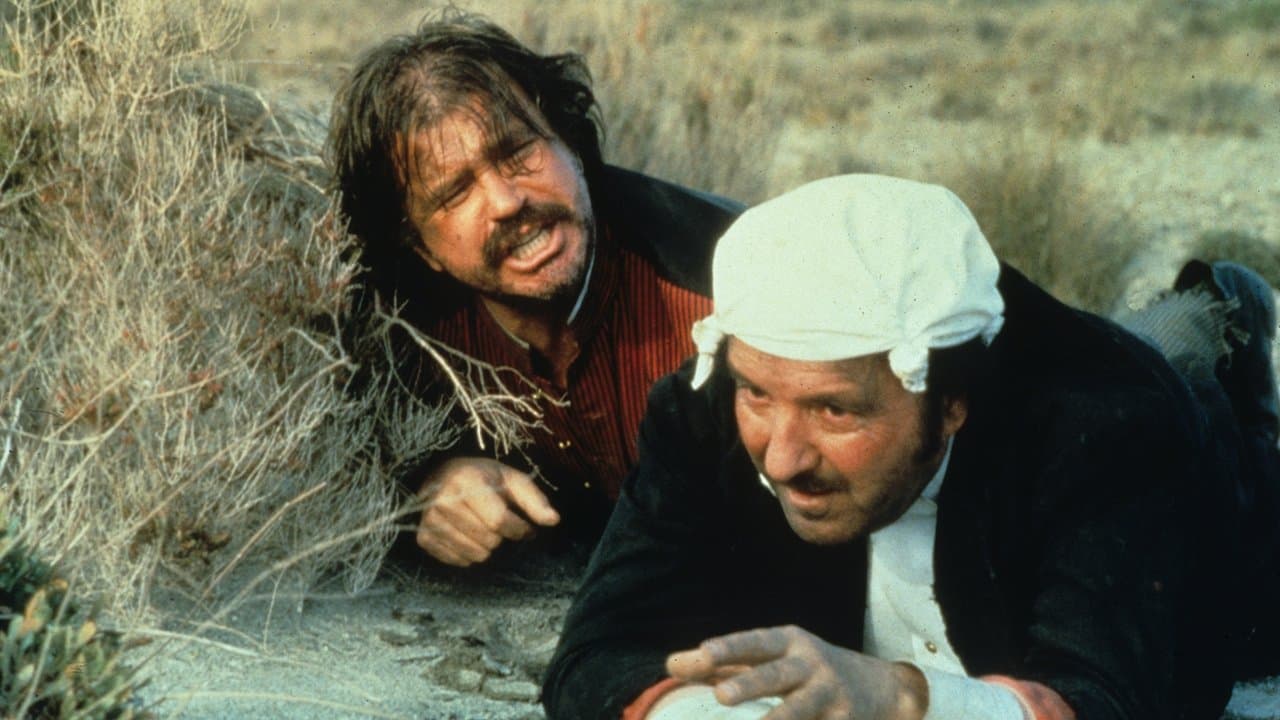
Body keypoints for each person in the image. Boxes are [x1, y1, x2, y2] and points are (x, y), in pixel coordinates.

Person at [542, 174, 1280, 719]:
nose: (782, 458)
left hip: (1183, 452)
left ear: (953, 402)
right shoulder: (708, 404)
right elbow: (594, 657)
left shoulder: (1107, 432)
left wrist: (905, 700)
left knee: (1189, 378)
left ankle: (1220, 304)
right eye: (758, 395)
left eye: (834, 409)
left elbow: (1115, 698)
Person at [325, 11, 742, 567]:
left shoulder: (726, 288)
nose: (506, 202)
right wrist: (428, 483)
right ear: (421, 248)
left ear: (571, 143)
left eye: (518, 152)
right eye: (454, 193)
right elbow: (343, 466)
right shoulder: (401, 336)